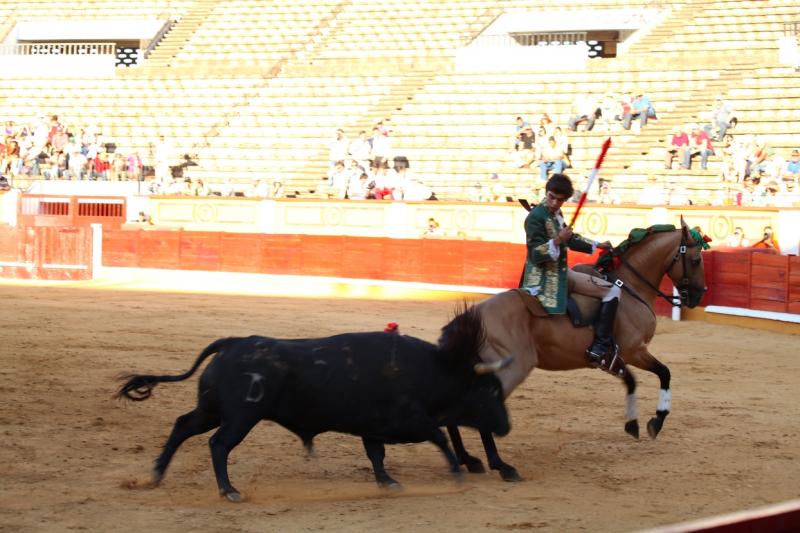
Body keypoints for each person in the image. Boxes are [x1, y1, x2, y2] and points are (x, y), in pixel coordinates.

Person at [520, 173, 619, 366]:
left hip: (563, 273)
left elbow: (571, 239)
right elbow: (535, 254)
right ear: (546, 192)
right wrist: (558, 240)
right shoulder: (535, 217)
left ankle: (601, 344)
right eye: (552, 197)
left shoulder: (556, 215)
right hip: (543, 279)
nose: (556, 202)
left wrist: (598, 245)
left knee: (613, 290)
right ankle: (600, 345)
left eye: (561, 200)